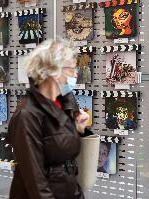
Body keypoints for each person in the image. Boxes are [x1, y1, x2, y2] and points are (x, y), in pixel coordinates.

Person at [9, 38, 93, 199]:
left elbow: (63, 155)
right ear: (54, 71)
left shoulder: (63, 104)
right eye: (71, 70)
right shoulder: (27, 115)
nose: (76, 75)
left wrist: (78, 130)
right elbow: (35, 180)